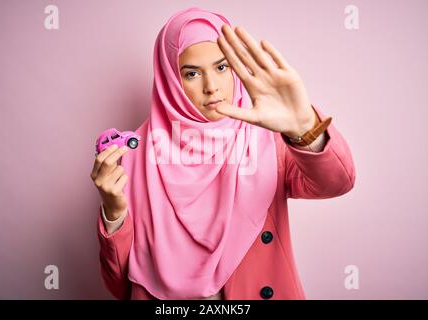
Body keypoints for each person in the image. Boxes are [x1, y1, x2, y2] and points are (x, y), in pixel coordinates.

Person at [90, 7, 355, 300]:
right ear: (169, 79)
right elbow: (119, 285)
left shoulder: (268, 138)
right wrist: (113, 213)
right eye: (191, 73)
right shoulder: (134, 155)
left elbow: (337, 183)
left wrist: (305, 125)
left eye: (222, 67)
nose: (211, 87)